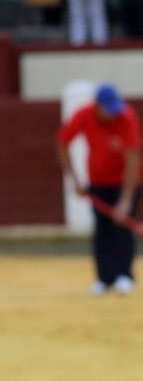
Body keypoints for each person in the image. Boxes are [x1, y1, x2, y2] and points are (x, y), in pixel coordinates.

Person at [57, 83, 141, 295]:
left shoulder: (127, 117)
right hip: (98, 181)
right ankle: (104, 278)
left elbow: (133, 158)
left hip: (125, 181)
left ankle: (125, 275)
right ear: (97, 106)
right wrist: (74, 180)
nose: (113, 114)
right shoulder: (84, 115)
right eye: (108, 109)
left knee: (123, 227)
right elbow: (62, 142)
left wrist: (126, 199)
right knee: (101, 229)